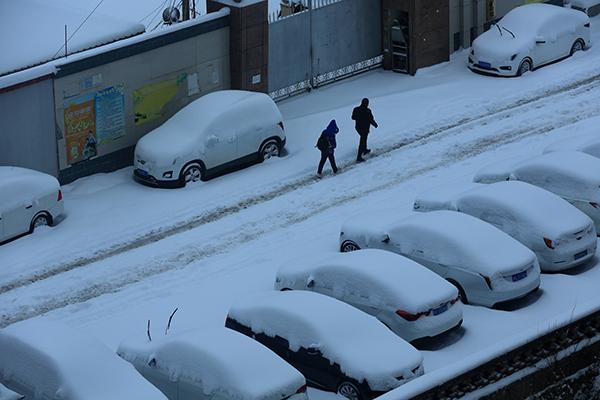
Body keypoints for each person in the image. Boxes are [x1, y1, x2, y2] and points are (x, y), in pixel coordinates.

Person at [351, 98, 378, 163]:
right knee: (362, 141)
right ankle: (359, 157)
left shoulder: (356, 109)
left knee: (364, 139)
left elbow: (353, 117)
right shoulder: (367, 111)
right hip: (364, 128)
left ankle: (365, 150)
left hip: (358, 127)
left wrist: (359, 116)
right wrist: (375, 124)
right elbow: (371, 119)